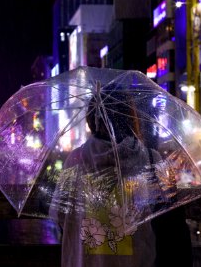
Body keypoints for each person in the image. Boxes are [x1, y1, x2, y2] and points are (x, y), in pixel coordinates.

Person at [50, 86, 192, 267]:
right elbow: (170, 221)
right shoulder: (151, 160)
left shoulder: (75, 161)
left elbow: (59, 216)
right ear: (131, 119)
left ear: (92, 121)